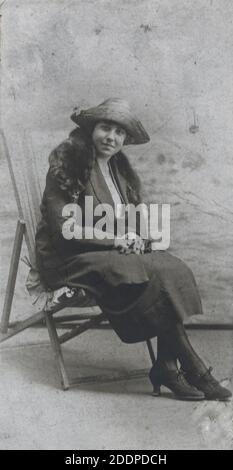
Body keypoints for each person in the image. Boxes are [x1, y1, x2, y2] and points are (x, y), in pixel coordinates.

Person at [35, 98, 232, 401]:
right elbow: (65, 228)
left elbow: (129, 217)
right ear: (91, 128)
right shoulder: (67, 163)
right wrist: (116, 240)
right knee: (142, 269)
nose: (111, 137)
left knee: (171, 266)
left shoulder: (118, 169)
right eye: (105, 127)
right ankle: (193, 368)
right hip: (69, 257)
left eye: (119, 132)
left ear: (125, 139)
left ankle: (167, 365)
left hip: (108, 252)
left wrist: (138, 237)